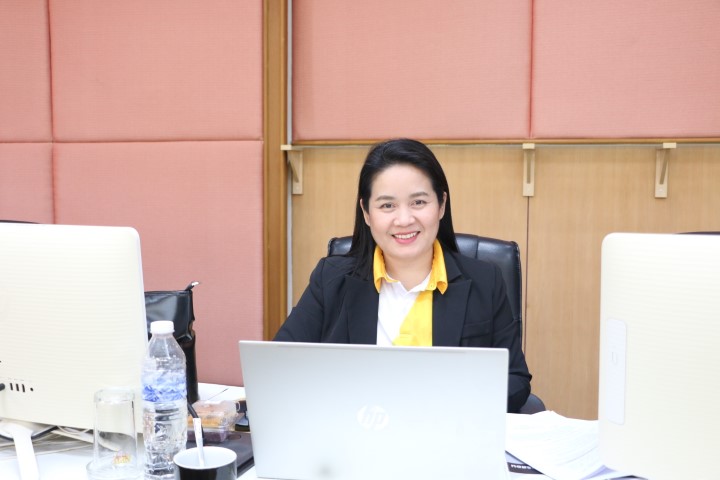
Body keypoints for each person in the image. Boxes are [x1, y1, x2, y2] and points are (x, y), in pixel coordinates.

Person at [274, 138, 532, 413]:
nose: (404, 220)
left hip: (445, 429)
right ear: (366, 213)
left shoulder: (485, 281)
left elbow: (514, 380)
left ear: (441, 205)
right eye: (387, 206)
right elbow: (280, 365)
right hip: (356, 430)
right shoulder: (330, 280)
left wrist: (446, 402)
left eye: (418, 202)